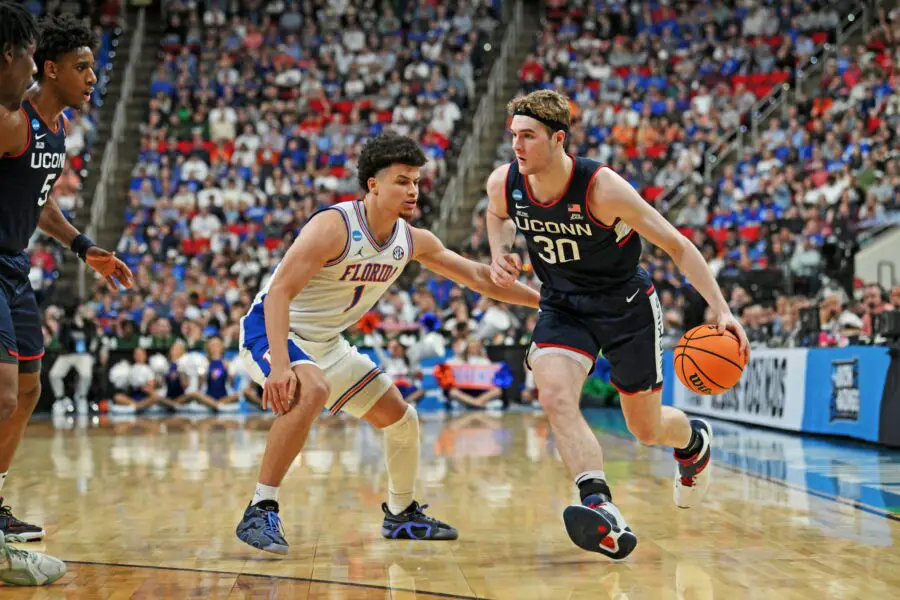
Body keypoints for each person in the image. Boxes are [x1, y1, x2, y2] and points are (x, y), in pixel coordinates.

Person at [235, 132, 540, 555]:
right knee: (312, 388)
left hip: (326, 343)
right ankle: (260, 506)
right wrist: (282, 366)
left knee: (401, 417)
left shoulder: (412, 240)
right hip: (272, 331)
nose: (412, 190)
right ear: (373, 184)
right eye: (401, 180)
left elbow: (480, 277)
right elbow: (279, 293)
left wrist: (546, 301)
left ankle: (401, 514)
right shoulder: (333, 226)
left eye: (415, 181)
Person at [484, 90, 750, 560]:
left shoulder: (601, 188)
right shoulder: (504, 183)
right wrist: (499, 251)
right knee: (554, 394)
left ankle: (692, 441)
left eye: (528, 136)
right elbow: (498, 217)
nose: (517, 147)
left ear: (558, 138)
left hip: (625, 305)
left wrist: (722, 309)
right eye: (514, 137)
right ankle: (600, 506)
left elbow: (678, 245)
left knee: (645, 429)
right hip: (562, 306)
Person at [0, 7, 133, 585]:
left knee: (28, 390)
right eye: (82, 68)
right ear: (47, 69)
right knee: (4, 391)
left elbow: (42, 204)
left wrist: (86, 248)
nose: (92, 79)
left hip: (15, 265)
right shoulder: (13, 121)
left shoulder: (57, 130)